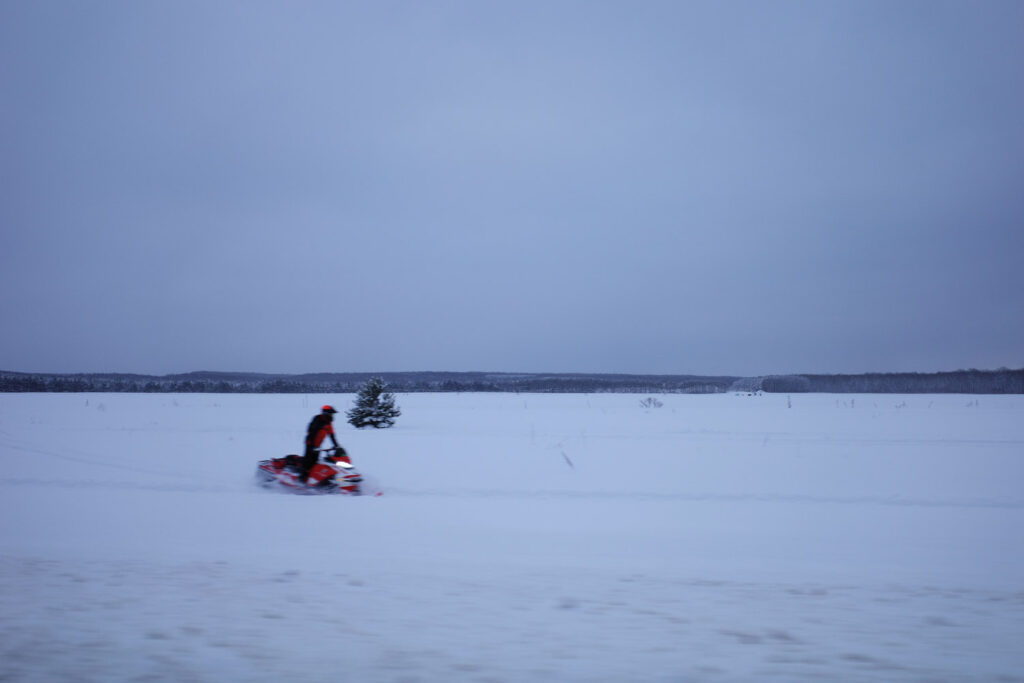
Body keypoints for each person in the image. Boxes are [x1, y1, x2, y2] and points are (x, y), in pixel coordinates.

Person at [300, 405, 341, 483]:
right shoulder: (317, 419)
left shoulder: (329, 423)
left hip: (318, 445)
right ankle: (301, 479)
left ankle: (313, 479)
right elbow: (312, 432)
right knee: (308, 462)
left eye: (333, 414)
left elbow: (332, 435)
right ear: (326, 413)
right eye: (331, 414)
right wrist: (313, 446)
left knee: (315, 462)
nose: (332, 416)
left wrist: (336, 445)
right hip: (310, 444)